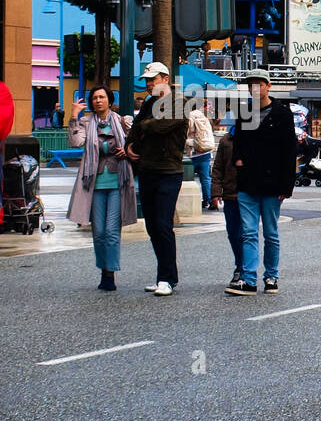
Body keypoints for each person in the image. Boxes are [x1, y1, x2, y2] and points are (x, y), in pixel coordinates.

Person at [226, 69, 297, 296]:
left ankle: (271, 276)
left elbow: (289, 150)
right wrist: (238, 160)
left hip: (273, 183)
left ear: (268, 86)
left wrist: (287, 186)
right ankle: (248, 278)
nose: (254, 89)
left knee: (271, 232)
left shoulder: (282, 114)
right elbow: (237, 141)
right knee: (248, 232)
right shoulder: (244, 112)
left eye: (258, 84)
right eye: (250, 85)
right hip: (248, 181)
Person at [65, 86, 137, 291]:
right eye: (95, 98)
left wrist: (127, 151)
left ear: (109, 99)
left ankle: (110, 274)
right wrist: (73, 117)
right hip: (94, 183)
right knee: (98, 232)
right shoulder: (86, 123)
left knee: (112, 231)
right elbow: (75, 142)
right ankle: (102, 269)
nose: (98, 101)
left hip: (118, 182)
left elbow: (135, 145)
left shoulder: (123, 122)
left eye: (102, 97)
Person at [125, 62, 187, 296]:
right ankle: (163, 275)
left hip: (169, 171)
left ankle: (168, 278)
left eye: (153, 79)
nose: (149, 83)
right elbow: (135, 128)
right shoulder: (150, 103)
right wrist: (130, 145)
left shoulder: (180, 102)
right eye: (148, 80)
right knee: (153, 226)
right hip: (148, 169)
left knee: (162, 225)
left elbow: (158, 126)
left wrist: (143, 126)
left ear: (165, 78)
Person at [210, 119, 244, 287]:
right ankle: (240, 263)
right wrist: (215, 192)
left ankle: (243, 269)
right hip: (230, 193)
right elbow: (217, 168)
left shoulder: (254, 137)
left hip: (249, 193)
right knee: (233, 233)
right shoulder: (226, 140)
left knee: (247, 234)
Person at [185, 108, 217, 210]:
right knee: (205, 179)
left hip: (193, 154)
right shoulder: (205, 118)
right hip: (206, 152)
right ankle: (207, 200)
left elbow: (186, 132)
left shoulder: (189, 117)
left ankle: (188, 201)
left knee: (187, 179)